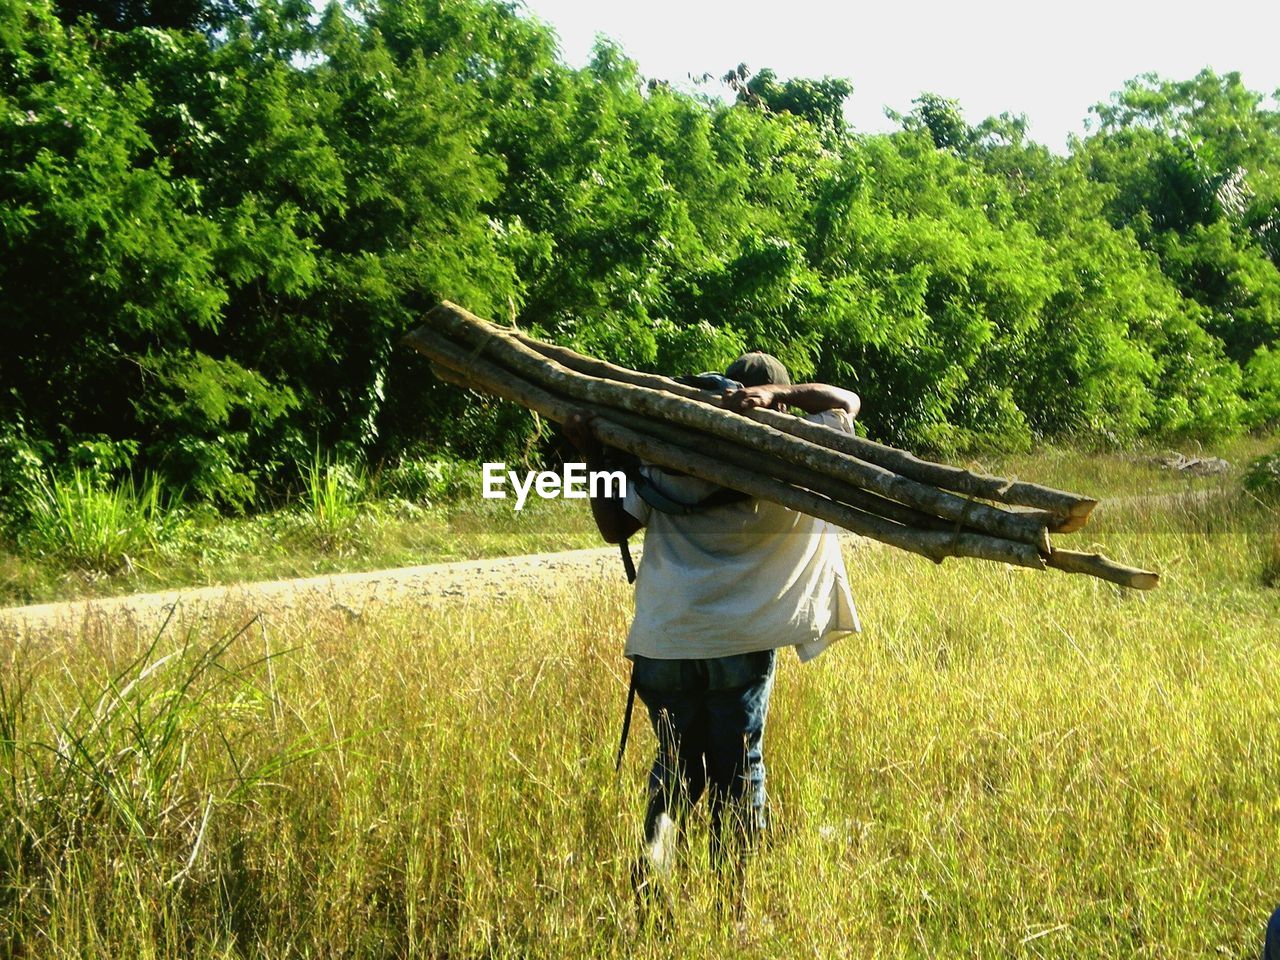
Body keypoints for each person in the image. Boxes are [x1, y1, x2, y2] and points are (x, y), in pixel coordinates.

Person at [562, 351, 861, 914]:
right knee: (737, 770)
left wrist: (594, 454)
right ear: (774, 394)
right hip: (738, 642)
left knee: (675, 767)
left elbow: (612, 526)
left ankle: (653, 883)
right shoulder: (797, 448)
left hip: (667, 637)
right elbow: (846, 401)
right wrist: (784, 401)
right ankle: (734, 903)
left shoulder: (671, 447)